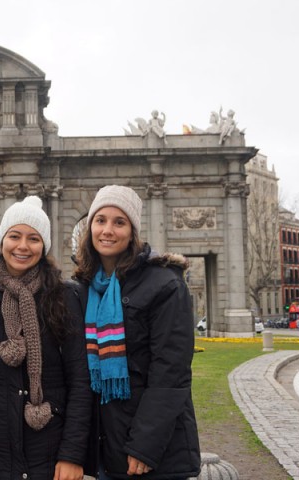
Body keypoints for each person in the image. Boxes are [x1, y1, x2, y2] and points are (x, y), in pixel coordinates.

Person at [0, 196, 92, 480]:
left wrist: (72, 454)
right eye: (14, 236)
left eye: (33, 238)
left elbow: (80, 380)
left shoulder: (65, 296)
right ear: (2, 239)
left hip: (51, 443)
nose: (22, 246)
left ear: (44, 246)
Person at [72, 185, 200, 480]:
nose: (108, 230)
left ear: (133, 231)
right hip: (106, 446)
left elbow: (170, 373)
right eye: (100, 220)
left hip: (152, 452)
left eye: (120, 222)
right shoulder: (83, 287)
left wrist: (145, 446)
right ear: (89, 226)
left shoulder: (166, 284)